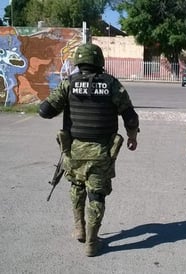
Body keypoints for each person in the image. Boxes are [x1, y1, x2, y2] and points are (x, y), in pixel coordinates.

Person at [38, 43, 140, 257]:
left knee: (76, 187)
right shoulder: (111, 84)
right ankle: (92, 243)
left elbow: (45, 111)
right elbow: (130, 115)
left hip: (74, 150)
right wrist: (132, 136)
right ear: (99, 62)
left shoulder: (68, 84)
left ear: (78, 61)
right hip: (101, 153)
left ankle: (79, 229)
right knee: (97, 195)